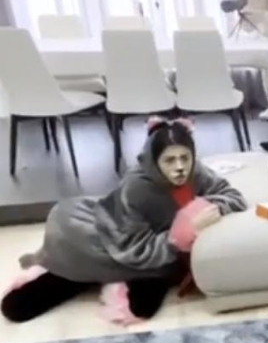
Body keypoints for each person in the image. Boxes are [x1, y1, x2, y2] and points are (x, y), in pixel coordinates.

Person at [1, 119, 247, 324]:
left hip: (157, 247)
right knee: (21, 306)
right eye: (170, 160)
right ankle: (68, 277)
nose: (180, 167)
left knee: (147, 300)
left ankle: (119, 280)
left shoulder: (196, 172)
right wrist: (179, 236)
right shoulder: (136, 187)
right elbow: (132, 247)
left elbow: (232, 195)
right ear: (154, 160)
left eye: (185, 158)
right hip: (109, 239)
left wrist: (204, 210)